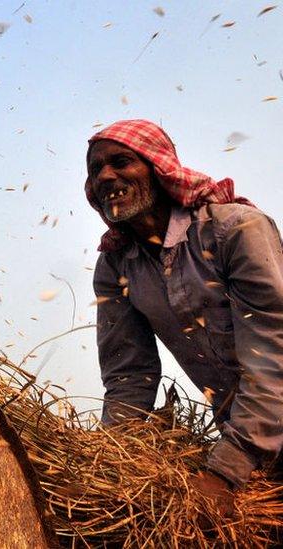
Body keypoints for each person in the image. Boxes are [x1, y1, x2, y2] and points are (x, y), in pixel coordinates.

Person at [86, 119, 283, 515]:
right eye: (95, 170)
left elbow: (274, 355)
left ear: (159, 169)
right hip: (256, 449)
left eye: (121, 162)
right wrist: (107, 468)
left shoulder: (234, 230)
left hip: (250, 441)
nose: (106, 176)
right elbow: (128, 378)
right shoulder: (115, 268)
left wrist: (225, 471)